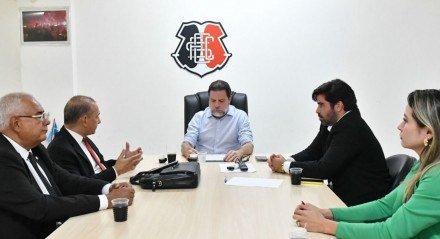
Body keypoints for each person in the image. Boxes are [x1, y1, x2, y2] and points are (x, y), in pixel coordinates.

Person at [293, 89, 440, 238]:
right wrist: (327, 213)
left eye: (406, 120)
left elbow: (390, 233)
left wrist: (323, 225)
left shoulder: (436, 177)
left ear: (428, 132)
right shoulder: (423, 165)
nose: (399, 126)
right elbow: (385, 206)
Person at [0, 93, 135, 238]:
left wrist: (108, 188)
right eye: (39, 116)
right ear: (16, 123)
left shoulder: (36, 148)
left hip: (62, 228)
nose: (47, 121)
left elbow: (66, 180)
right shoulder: (3, 157)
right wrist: (107, 200)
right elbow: (40, 207)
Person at [268, 79, 390, 206]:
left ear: (338, 106)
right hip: (344, 196)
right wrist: (287, 160)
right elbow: (314, 151)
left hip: (363, 205)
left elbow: (323, 169)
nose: (317, 110)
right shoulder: (332, 123)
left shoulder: (351, 128)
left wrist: (284, 166)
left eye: (321, 105)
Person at [48, 95, 143, 183]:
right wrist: (116, 170)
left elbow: (100, 166)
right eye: (97, 116)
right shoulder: (59, 148)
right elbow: (79, 185)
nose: (99, 121)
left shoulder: (83, 139)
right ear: (85, 120)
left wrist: (126, 161)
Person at [181, 80, 253, 162]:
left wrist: (241, 152)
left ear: (229, 99)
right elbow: (187, 142)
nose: (216, 105)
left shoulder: (240, 116)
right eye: (213, 100)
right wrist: (186, 148)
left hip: (230, 164)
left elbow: (249, 145)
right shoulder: (198, 117)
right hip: (202, 164)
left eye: (221, 101)